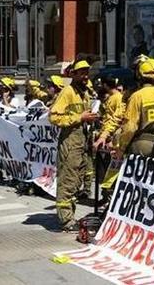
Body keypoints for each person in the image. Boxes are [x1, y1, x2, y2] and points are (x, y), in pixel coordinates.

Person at [49, 60, 97, 232]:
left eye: (86, 73)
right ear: (73, 74)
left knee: (76, 182)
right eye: (81, 73)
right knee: (68, 181)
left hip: (82, 143)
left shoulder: (84, 94)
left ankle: (70, 215)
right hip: (70, 144)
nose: (85, 76)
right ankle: (66, 220)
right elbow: (54, 117)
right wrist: (80, 118)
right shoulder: (67, 92)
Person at [117, 57, 154, 158]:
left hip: (142, 145)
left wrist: (121, 148)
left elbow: (130, 127)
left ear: (140, 76)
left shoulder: (137, 96)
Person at [93, 76, 125, 152]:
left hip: (113, 137)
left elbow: (117, 118)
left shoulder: (119, 98)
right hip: (106, 135)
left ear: (105, 85)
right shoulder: (111, 98)